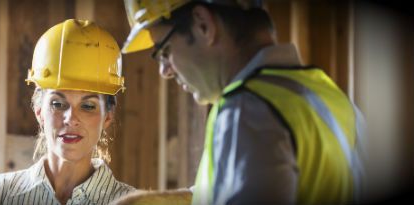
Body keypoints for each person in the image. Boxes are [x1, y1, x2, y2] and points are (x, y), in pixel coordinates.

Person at [116, 0, 366, 204]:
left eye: (165, 50)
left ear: (203, 25)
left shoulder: (247, 111)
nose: (165, 71)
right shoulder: (331, 98)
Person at [0, 19, 135, 205]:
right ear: (39, 110)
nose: (71, 119)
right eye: (58, 104)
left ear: (108, 116)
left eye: (88, 106)